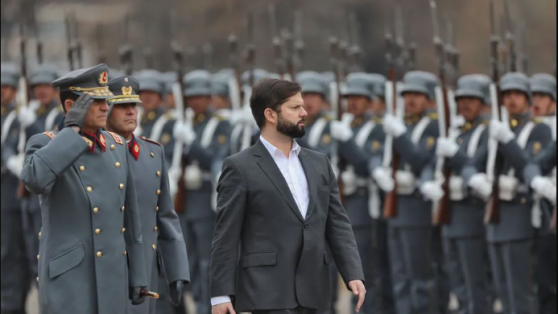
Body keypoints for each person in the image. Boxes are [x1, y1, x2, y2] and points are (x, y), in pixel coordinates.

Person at [210, 78, 366, 314]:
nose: (304, 112)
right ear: (271, 115)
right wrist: (220, 295)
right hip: (266, 292)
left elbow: (337, 223)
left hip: (314, 291)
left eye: (302, 106)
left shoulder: (319, 163)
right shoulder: (239, 167)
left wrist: (353, 273)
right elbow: (225, 235)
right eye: (295, 108)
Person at [20, 64, 148, 314]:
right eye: (96, 101)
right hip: (70, 279)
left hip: (112, 275)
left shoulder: (116, 146)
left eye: (106, 100)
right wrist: (72, 129)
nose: (105, 107)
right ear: (71, 107)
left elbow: (130, 220)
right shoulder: (47, 143)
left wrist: (138, 275)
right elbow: (35, 179)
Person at [464, 72, 553, 314]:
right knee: (503, 293)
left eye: (517, 94)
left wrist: (508, 141)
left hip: (520, 216)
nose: (512, 100)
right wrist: (474, 178)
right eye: (507, 95)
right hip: (496, 219)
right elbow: (472, 163)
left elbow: (532, 166)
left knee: (521, 294)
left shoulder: (539, 130)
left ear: (527, 99)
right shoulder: (497, 130)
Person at [106, 75, 191, 314]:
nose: (131, 111)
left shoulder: (152, 153)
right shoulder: (91, 154)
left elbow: (165, 216)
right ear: (107, 109)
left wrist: (177, 271)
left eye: (133, 105)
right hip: (104, 268)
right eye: (122, 106)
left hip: (144, 268)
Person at [380, 71, 446, 314]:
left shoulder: (435, 127)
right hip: (397, 208)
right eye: (407, 95)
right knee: (400, 277)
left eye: (417, 95)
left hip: (418, 210)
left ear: (429, 100)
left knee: (420, 276)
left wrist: (400, 136)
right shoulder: (402, 124)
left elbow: (421, 161)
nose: (411, 100)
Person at [433, 74, 493, 314]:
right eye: (462, 100)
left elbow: (474, 163)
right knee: (457, 279)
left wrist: (454, 153)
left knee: (474, 280)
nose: (465, 104)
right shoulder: (457, 132)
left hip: (471, 213)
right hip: (452, 215)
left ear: (484, 103)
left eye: (472, 99)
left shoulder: (488, 133)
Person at [1, 62, 29, 314]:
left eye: (7, 87)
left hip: (11, 193)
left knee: (10, 252)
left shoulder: (19, 118)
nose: (2, 92)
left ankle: (11, 304)